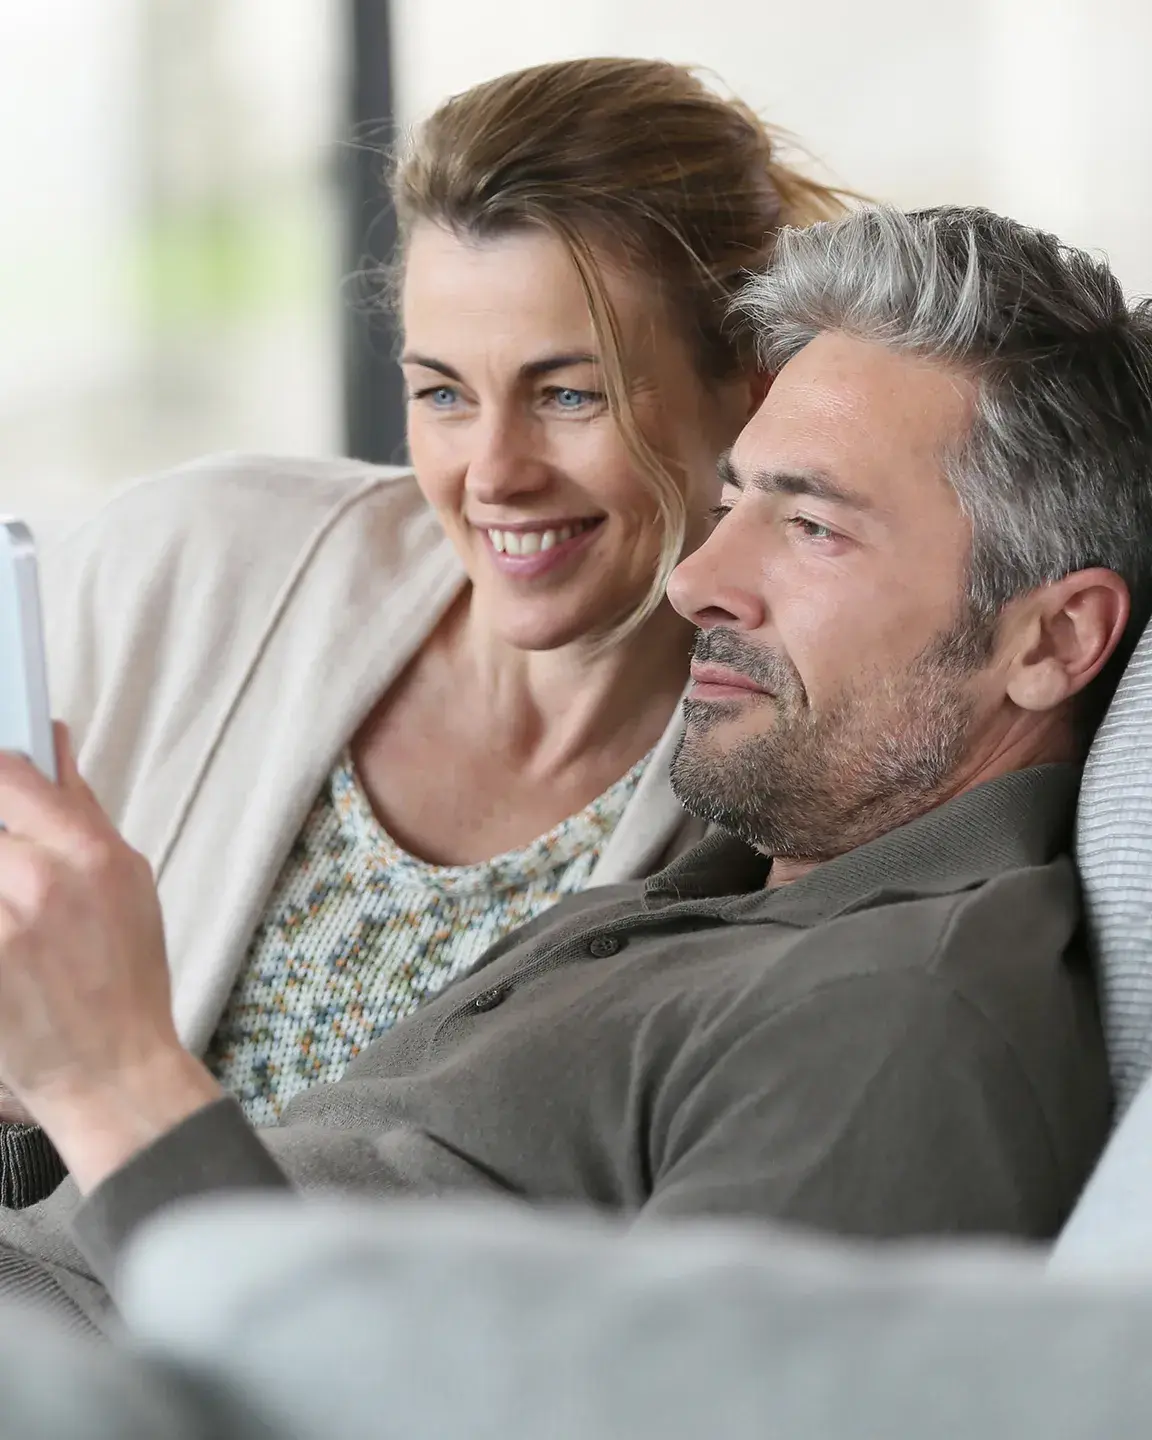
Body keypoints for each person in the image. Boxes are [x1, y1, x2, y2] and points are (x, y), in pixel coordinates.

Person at [0, 202, 1147, 1335]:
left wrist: (112, 1075)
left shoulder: (901, 1027)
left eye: (813, 529)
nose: (698, 579)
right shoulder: (721, 889)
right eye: (736, 499)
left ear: (1050, 641)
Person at [0, 58, 844, 1181]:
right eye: (442, 393)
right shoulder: (189, 559)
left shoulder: (780, 785)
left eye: (567, 394)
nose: (491, 473)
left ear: (748, 381)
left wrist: (96, 1068)